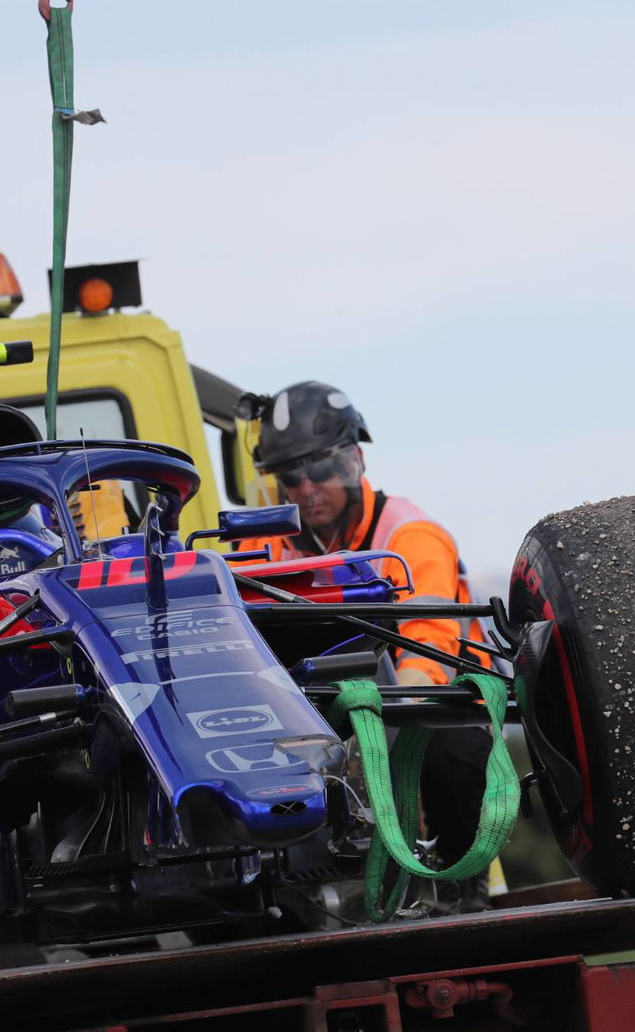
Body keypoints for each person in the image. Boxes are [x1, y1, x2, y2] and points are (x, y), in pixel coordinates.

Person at [238, 380, 494, 892]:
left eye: (323, 469)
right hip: (318, 710)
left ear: (355, 460)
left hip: (423, 697)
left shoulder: (409, 537)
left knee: (450, 745)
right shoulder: (265, 544)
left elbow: (431, 643)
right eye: (291, 475)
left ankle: (465, 888)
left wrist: (379, 733)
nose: (308, 488)